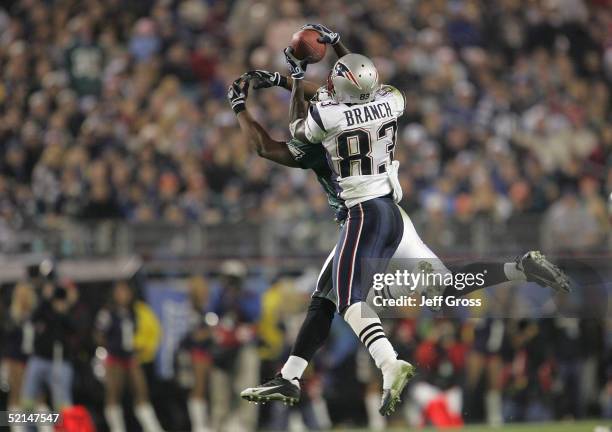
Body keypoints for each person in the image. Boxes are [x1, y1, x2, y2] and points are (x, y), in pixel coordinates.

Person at [229, 24, 571, 416]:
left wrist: (249, 99)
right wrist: (328, 48)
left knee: (346, 298)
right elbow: (352, 85)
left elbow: (278, 138)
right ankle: (518, 268)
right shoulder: (391, 99)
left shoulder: (323, 121)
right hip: (392, 211)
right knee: (430, 288)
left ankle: (389, 362)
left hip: (362, 214)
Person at [95, 280, 164, 432]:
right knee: (114, 394)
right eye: (120, 292)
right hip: (115, 358)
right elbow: (99, 335)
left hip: (131, 356)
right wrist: (111, 348)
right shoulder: (108, 312)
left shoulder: (133, 312)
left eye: (126, 291)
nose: (123, 295)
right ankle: (117, 428)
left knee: (141, 391)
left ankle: (152, 427)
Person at [2, 282, 36, 432]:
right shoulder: (11, 315)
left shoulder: (35, 315)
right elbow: (7, 338)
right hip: (15, 359)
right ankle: (18, 428)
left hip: (32, 359)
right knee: (16, 394)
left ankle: (36, 426)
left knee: (33, 396)